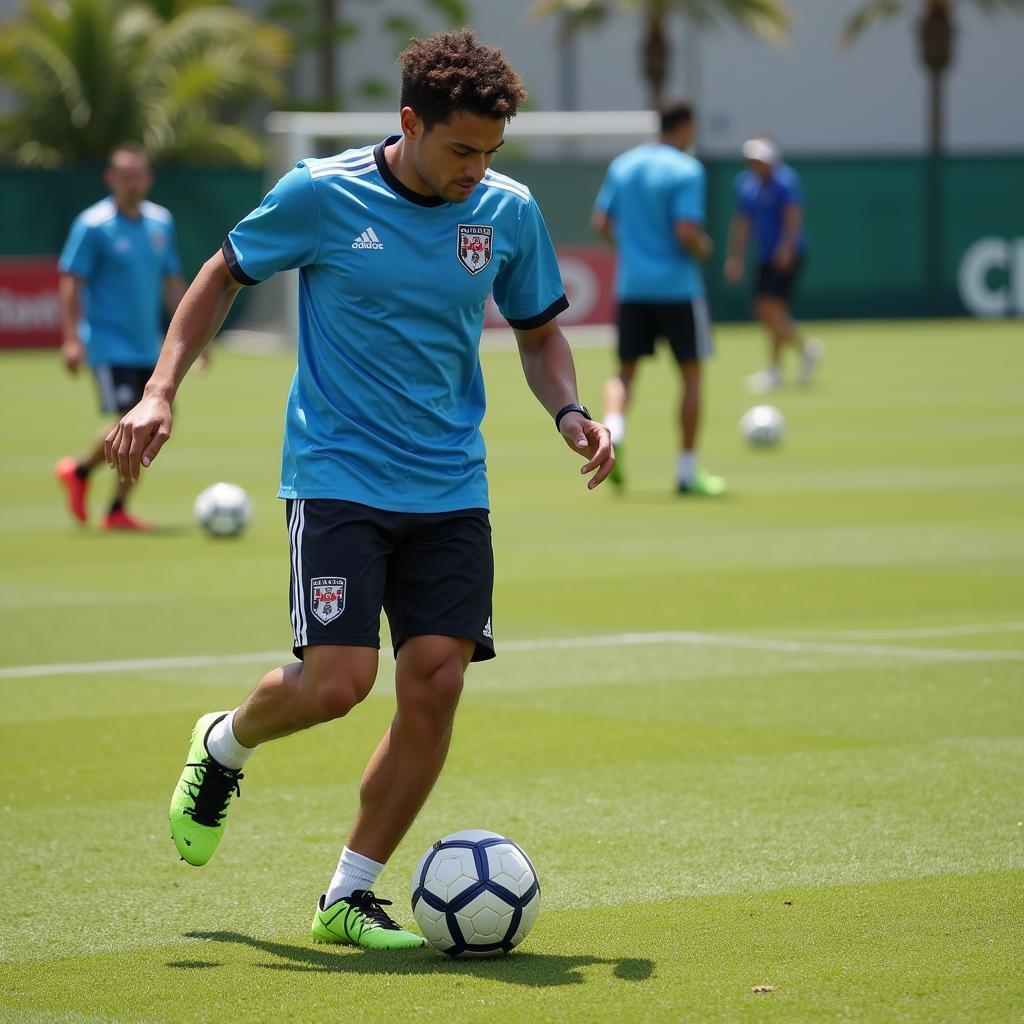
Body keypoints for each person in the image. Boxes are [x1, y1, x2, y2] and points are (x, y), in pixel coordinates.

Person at [105, 30, 613, 951]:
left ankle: (349, 893)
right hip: (337, 474)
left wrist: (569, 410)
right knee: (340, 684)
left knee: (437, 683)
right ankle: (225, 743)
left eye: (491, 152)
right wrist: (158, 390)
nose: (477, 169)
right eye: (461, 148)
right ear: (410, 122)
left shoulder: (507, 211)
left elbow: (539, 335)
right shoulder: (319, 194)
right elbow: (222, 273)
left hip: (453, 483)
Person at [592, 101, 725, 496]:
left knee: (624, 372)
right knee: (691, 376)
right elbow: (687, 231)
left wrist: (633, 250)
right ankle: (687, 473)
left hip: (633, 287)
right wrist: (705, 248)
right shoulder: (687, 169)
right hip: (678, 289)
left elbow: (600, 223)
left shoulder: (624, 165)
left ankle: (614, 430)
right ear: (685, 127)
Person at [55, 143, 189, 530]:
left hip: (148, 343)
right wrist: (70, 339)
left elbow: (172, 280)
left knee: (152, 424)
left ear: (148, 178)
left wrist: (196, 336)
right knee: (133, 419)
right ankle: (80, 472)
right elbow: (70, 281)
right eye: (125, 176)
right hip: (108, 343)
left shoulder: (160, 222)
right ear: (110, 179)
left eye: (139, 175)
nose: (133, 183)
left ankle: (113, 506)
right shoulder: (93, 224)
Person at [724, 135, 823, 394]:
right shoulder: (746, 185)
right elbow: (742, 224)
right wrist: (736, 257)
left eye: (760, 159)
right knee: (766, 311)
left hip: (787, 254)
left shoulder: (785, 181)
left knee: (772, 310)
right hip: (765, 256)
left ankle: (778, 368)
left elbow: (793, 216)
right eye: (752, 160)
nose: (755, 164)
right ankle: (802, 352)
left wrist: (787, 248)